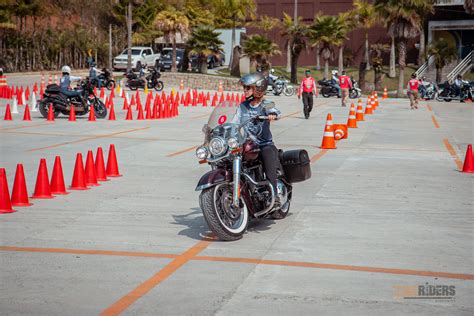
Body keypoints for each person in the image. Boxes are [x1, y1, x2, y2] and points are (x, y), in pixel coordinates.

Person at [232, 72, 281, 201]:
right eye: (244, 88)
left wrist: (272, 115)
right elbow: (234, 122)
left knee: (268, 154)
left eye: (248, 88)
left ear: (258, 89)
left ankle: (274, 196)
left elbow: (274, 110)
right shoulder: (243, 106)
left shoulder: (265, 104)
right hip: (247, 145)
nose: (245, 91)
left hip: (264, 145)